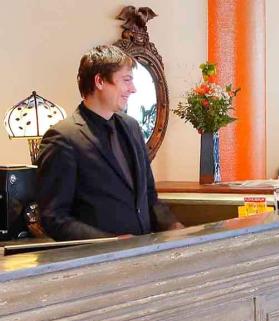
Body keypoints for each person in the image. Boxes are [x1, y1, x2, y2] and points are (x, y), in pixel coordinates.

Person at [35, 45, 182, 241]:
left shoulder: (132, 127)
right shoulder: (62, 138)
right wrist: (111, 242)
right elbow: (54, 218)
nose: (133, 89)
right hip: (100, 257)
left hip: (143, 252)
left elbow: (148, 196)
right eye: (126, 80)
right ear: (100, 81)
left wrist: (174, 227)